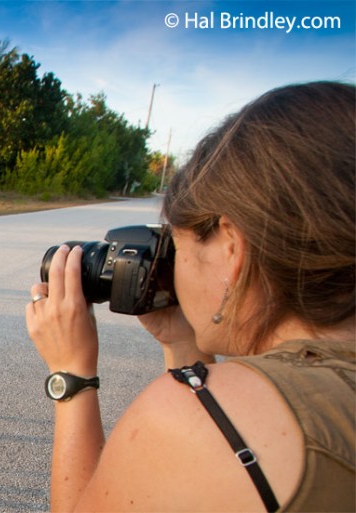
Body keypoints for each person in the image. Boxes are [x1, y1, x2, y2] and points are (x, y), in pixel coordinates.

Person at [25, 81, 355, 512]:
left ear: (232, 247)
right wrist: (184, 345)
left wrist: (71, 374)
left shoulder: (209, 418)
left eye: (179, 249)